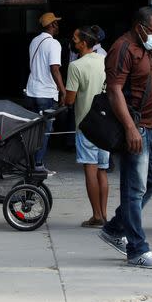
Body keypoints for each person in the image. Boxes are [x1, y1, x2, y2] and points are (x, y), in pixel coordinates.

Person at [97, 7, 152, 269]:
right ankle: (137, 250)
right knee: (134, 189)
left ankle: (115, 228)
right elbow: (114, 90)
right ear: (140, 27)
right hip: (136, 127)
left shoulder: (145, 48)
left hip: (149, 126)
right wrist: (129, 128)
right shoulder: (122, 48)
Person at [65, 26, 108, 227]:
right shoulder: (105, 60)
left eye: (75, 39)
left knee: (90, 171)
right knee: (102, 171)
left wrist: (65, 99)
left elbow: (70, 99)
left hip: (86, 125)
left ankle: (97, 216)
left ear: (83, 43)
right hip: (106, 125)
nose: (72, 42)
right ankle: (104, 214)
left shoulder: (75, 66)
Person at [26, 13, 66, 172]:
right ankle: (37, 165)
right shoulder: (53, 43)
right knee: (45, 131)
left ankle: (30, 163)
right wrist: (62, 91)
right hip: (46, 94)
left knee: (33, 131)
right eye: (56, 23)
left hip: (31, 92)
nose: (58, 25)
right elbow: (54, 68)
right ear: (52, 25)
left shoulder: (34, 41)